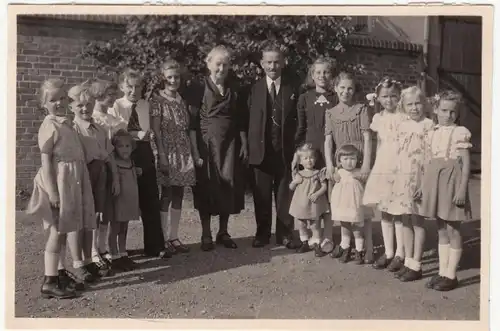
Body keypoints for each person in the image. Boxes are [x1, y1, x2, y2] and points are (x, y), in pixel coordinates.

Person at [26, 78, 95, 298]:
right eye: (53, 100)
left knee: (64, 229)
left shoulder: (66, 123)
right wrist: (53, 192)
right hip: (58, 183)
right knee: (56, 231)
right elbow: (46, 162)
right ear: (44, 104)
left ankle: (60, 271)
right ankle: (49, 280)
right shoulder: (49, 126)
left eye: (62, 98)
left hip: (71, 182)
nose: (59, 103)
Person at [188, 45, 247, 251]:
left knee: (228, 185)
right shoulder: (198, 87)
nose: (221, 68)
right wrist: (195, 151)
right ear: (208, 63)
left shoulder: (234, 87)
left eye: (225, 64)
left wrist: (244, 143)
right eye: (218, 64)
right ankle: (206, 233)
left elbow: (240, 120)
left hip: (230, 144)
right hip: (207, 145)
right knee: (207, 185)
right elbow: (192, 124)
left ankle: (223, 231)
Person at [109, 69, 168, 259]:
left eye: (138, 87)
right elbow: (116, 131)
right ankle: (116, 251)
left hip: (144, 152)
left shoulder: (145, 105)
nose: (134, 91)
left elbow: (153, 131)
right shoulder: (116, 105)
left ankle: (155, 246)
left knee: (150, 199)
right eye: (130, 87)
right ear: (122, 87)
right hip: (123, 152)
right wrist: (134, 135)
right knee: (124, 202)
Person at [247, 43, 300, 249]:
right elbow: (245, 120)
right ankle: (262, 233)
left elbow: (298, 121)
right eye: (268, 62)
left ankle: (285, 234)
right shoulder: (253, 89)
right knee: (261, 195)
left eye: (276, 61)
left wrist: (297, 148)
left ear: (283, 63)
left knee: (284, 195)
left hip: (285, 151)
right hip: (260, 151)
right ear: (262, 64)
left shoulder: (292, 88)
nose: (273, 66)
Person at [419, 90, 472, 292]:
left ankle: (452, 275)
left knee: (453, 228)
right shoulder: (432, 133)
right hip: (436, 181)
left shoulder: (460, 133)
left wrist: (462, 190)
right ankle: (442, 271)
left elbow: (466, 165)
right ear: (435, 110)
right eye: (444, 110)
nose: (448, 115)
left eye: (452, 112)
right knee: (441, 227)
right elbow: (428, 162)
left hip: (452, 182)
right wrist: (423, 187)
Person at [70, 82, 119, 278]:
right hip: (80, 177)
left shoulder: (99, 129)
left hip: (100, 177)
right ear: (71, 107)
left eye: (89, 104)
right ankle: (80, 261)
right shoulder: (72, 129)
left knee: (95, 216)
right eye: (80, 105)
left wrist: (115, 179)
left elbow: (108, 157)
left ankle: (93, 255)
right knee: (79, 220)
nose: (85, 108)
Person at [324, 72, 374, 263]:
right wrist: (330, 165)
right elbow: (328, 141)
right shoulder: (330, 113)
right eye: (342, 87)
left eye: (350, 88)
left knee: (363, 206)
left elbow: (368, 138)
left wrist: (366, 165)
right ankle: (346, 245)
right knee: (344, 204)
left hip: (359, 162)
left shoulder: (361, 109)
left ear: (354, 90)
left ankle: (367, 247)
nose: (346, 91)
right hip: (342, 163)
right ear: (335, 88)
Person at [386, 86, 434, 281]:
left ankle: (417, 264)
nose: (414, 108)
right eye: (410, 104)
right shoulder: (401, 125)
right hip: (402, 178)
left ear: (424, 104)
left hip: (420, 178)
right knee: (405, 219)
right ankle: (407, 261)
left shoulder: (429, 126)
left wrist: (425, 184)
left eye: (417, 103)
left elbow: (431, 156)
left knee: (417, 221)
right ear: (403, 107)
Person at [151, 59, 197, 255]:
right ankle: (163, 238)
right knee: (167, 194)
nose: (173, 80)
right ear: (163, 78)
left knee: (179, 194)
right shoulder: (157, 101)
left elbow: (186, 128)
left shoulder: (181, 100)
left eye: (176, 77)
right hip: (167, 151)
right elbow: (156, 131)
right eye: (169, 77)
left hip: (183, 151)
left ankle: (174, 236)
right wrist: (161, 155)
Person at [294, 57, 338, 255]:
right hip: (310, 153)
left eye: (326, 72)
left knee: (327, 196)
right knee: (309, 195)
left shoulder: (336, 97)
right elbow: (301, 127)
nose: (322, 76)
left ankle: (327, 237)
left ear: (331, 75)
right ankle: (310, 237)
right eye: (318, 72)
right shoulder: (305, 97)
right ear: (312, 75)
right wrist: (298, 152)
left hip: (329, 151)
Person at [362, 77, 406, 271]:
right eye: (385, 97)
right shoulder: (379, 118)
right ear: (378, 98)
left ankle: (400, 253)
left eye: (393, 96)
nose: (389, 100)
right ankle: (388, 252)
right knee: (385, 211)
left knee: (399, 212)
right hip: (384, 166)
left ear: (400, 97)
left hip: (401, 167)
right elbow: (379, 143)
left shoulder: (404, 117)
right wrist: (376, 166)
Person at [108, 130, 141, 272]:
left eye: (128, 146)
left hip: (130, 199)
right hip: (119, 200)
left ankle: (123, 254)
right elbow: (115, 180)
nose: (125, 149)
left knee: (124, 228)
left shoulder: (132, 162)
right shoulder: (114, 162)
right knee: (115, 228)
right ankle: (114, 256)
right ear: (115, 147)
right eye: (121, 146)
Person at [329, 144, 367, 264]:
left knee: (357, 227)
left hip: (355, 204)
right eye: (345, 159)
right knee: (344, 224)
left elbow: (367, 182)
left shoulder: (359, 172)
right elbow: (331, 179)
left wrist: (361, 177)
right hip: (342, 203)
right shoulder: (339, 172)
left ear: (358, 159)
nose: (349, 162)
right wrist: (333, 174)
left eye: (352, 159)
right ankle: (345, 246)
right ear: (339, 160)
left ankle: (359, 250)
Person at [289, 144, 329, 255]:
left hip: (313, 204)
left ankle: (316, 243)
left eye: (311, 157)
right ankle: (304, 242)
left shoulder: (318, 173)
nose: (309, 160)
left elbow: (324, 187)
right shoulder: (299, 174)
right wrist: (294, 182)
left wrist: (317, 193)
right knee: (301, 224)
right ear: (300, 161)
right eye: (305, 158)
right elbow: (291, 187)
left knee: (315, 225)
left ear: (315, 159)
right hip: (301, 204)